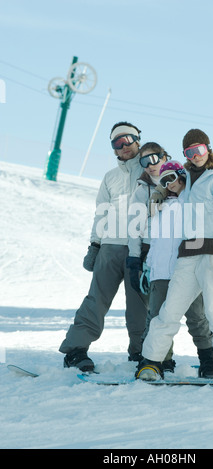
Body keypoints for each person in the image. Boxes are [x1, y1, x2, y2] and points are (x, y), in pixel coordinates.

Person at [137, 129, 213, 383]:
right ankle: (151, 363)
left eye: (199, 150)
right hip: (187, 256)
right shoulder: (190, 182)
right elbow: (174, 188)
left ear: (208, 149)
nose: (195, 156)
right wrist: (161, 192)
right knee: (169, 311)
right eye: (189, 152)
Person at [59, 122, 148, 371]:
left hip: (141, 249)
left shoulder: (153, 171)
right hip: (110, 246)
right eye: (117, 143)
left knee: (140, 304)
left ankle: (141, 353)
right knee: (96, 299)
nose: (123, 146)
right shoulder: (110, 177)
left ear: (138, 139)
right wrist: (95, 245)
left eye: (127, 139)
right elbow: (101, 214)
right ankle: (76, 350)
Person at [127, 146, 213, 377]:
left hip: (188, 271)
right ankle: (158, 361)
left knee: (197, 318)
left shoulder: (190, 200)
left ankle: (209, 360)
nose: (169, 184)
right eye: (164, 181)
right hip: (161, 274)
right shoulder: (158, 208)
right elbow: (155, 242)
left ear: (181, 176)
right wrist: (148, 268)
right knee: (157, 318)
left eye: (172, 178)